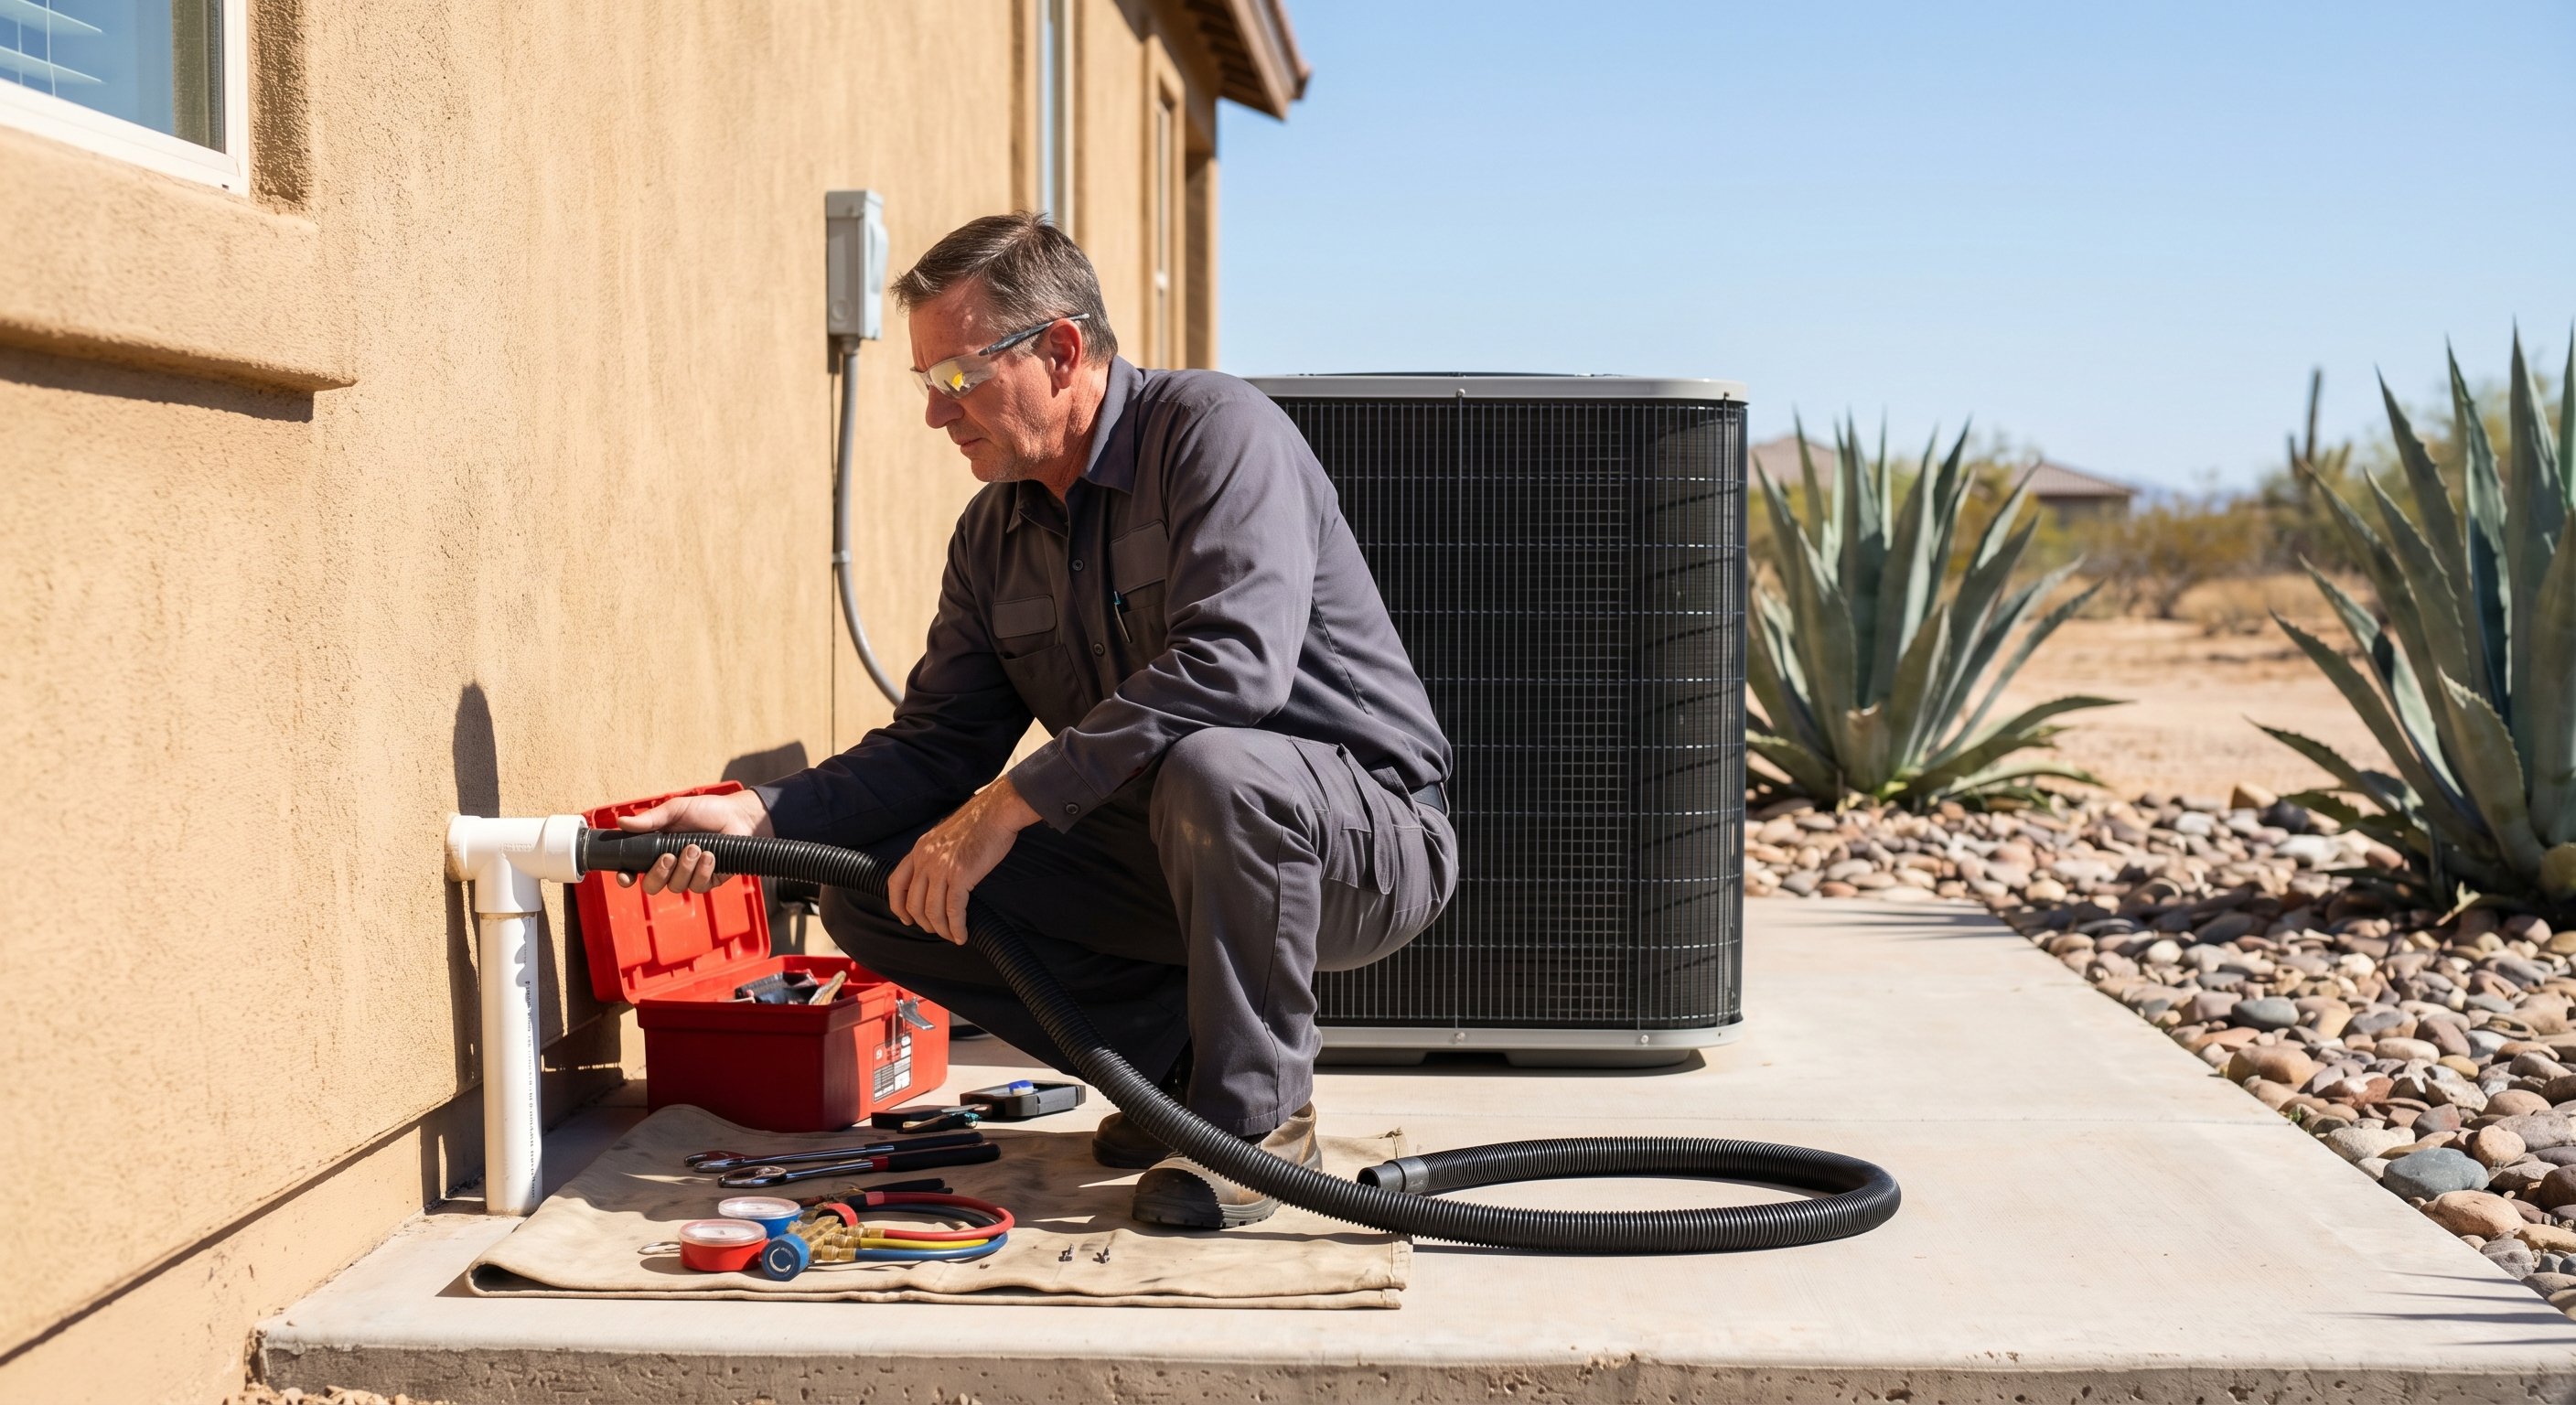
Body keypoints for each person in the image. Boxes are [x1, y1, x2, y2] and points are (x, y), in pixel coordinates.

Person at [617, 212, 1455, 1229]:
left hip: (1355, 842)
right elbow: (935, 745)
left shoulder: (1212, 434)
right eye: (927, 385)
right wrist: (761, 812)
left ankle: (1254, 1129)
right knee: (887, 880)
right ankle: (1178, 1081)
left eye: (958, 378)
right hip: (1160, 845)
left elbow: (1233, 664)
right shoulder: (993, 533)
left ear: (1060, 350)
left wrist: (1012, 801)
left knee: (1218, 769)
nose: (937, 415)